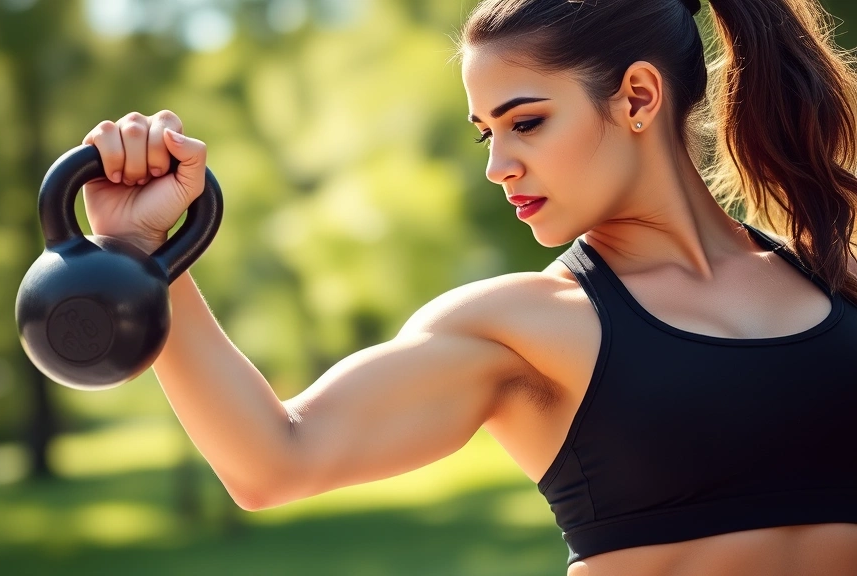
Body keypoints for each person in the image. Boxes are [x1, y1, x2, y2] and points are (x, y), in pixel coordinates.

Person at [78, 0, 857, 573]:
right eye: (486, 133)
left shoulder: (834, 277)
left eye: (526, 122)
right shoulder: (523, 327)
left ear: (638, 97)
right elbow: (272, 461)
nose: (498, 165)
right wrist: (145, 256)